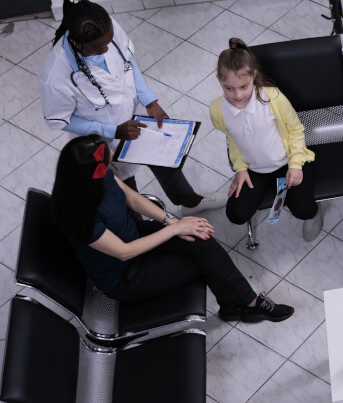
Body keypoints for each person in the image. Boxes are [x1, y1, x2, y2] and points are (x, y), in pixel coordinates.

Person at [52, 134, 294, 323]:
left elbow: (132, 198)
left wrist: (172, 221)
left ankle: (243, 304)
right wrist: (173, 230)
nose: (114, 154)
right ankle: (244, 305)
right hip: (125, 275)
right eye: (107, 157)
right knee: (202, 261)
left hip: (136, 234)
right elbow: (124, 252)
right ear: (93, 173)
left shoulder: (97, 177)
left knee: (199, 239)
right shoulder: (79, 216)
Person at [38, 0, 225, 214]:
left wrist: (149, 99)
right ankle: (139, 224)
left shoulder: (107, 27)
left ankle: (190, 202)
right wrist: (112, 130)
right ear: (77, 43)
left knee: (165, 157)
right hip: (102, 138)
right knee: (125, 190)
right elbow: (62, 120)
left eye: (108, 42)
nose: (106, 49)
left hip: (133, 114)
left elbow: (128, 62)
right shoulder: (55, 76)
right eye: (99, 48)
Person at [209, 38, 323, 241]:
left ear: (254, 76)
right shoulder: (217, 110)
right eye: (229, 88)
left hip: (287, 162)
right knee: (236, 214)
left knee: (303, 210)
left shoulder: (274, 98)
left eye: (244, 87)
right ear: (219, 80)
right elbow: (233, 139)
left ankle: (314, 213)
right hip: (254, 170)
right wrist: (240, 169)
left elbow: (296, 131)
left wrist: (296, 165)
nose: (237, 95)